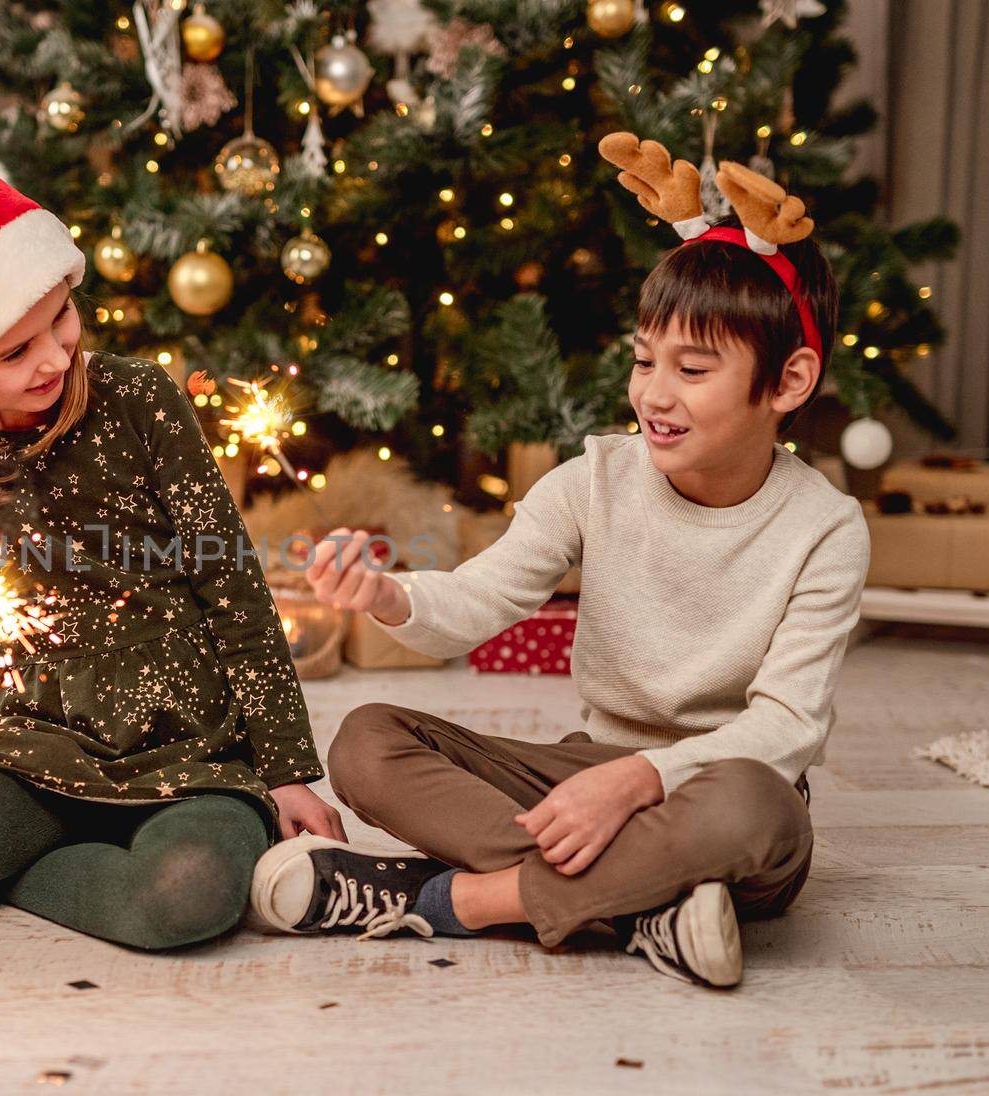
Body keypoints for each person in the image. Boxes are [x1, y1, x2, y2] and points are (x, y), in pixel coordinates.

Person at [251, 138, 869, 987]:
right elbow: (476, 603)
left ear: (789, 381)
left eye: (693, 369)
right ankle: (649, 903)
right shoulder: (595, 480)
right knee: (365, 740)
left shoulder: (826, 528)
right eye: (645, 360)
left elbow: (786, 729)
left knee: (756, 806)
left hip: (719, 788)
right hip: (582, 770)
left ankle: (452, 900)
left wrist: (639, 782)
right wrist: (388, 594)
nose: (655, 394)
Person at [0, 158, 343, 951]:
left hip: (188, 761)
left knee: (187, 895)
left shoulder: (139, 399)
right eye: (15, 352)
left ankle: (11, 868)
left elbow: (234, 589)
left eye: (62, 320)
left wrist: (288, 767)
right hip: (24, 755)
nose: (54, 358)